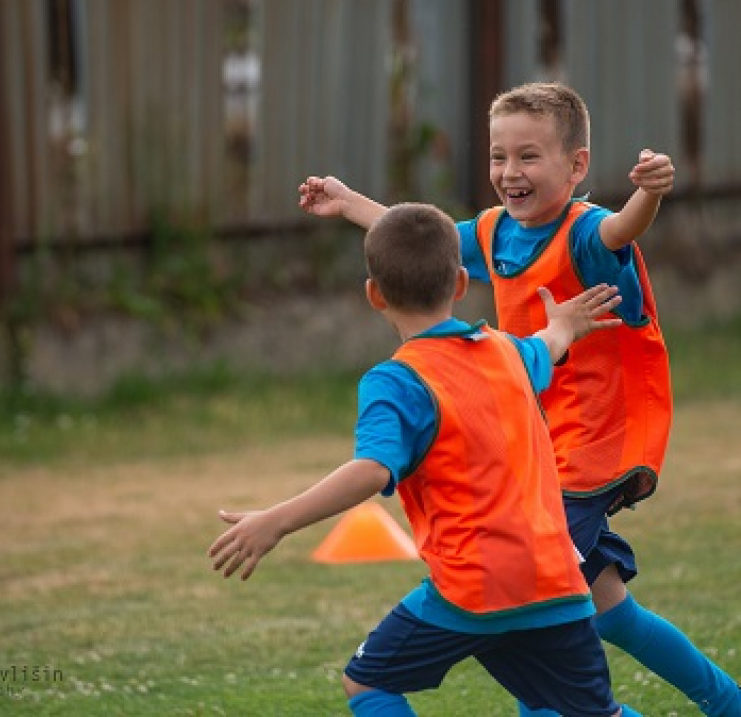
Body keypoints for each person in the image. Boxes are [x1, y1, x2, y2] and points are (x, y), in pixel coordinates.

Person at [298, 82, 741, 717]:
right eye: (499, 157)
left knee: (530, 613)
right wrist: (347, 204)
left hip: (596, 449)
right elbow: (419, 242)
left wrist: (649, 192)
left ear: (577, 166)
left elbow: (622, 228)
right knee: (610, 614)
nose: (510, 172)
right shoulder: (492, 232)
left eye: (529, 157)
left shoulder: (585, 233)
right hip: (539, 451)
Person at [210, 202, 639, 716]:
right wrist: (565, 324)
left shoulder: (397, 381)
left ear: (373, 295)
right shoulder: (504, 351)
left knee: (366, 685)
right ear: (461, 283)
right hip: (557, 580)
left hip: (471, 587)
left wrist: (275, 521)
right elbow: (545, 346)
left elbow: (371, 470)